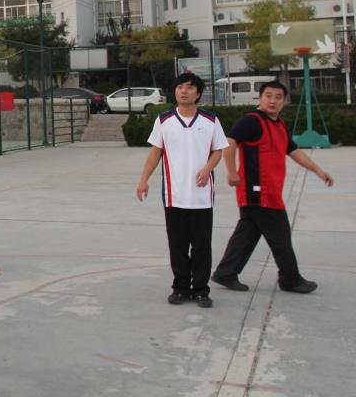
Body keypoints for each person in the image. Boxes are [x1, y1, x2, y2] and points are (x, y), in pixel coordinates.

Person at [211, 80, 335, 294]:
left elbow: (293, 150)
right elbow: (229, 141)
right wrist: (231, 171)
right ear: (260, 98)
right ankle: (290, 279)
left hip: (269, 190)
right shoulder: (252, 120)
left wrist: (317, 170)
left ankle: (226, 273)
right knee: (280, 234)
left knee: (248, 232)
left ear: (284, 101)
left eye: (278, 97)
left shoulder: (279, 125)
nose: (273, 101)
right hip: (258, 191)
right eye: (268, 95)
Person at [136, 73, 228, 308]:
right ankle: (180, 288)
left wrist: (207, 168)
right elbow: (155, 152)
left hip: (202, 197)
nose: (184, 91)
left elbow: (218, 150)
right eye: (179, 87)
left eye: (189, 87)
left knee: (201, 247)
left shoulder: (210, 120)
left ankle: (201, 291)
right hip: (174, 196)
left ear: (198, 93)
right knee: (177, 246)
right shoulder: (164, 120)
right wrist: (144, 180)